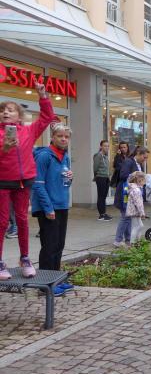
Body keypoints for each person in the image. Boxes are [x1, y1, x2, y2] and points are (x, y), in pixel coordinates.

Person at [0, 81, 54, 280]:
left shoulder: (28, 131)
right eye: (3, 110)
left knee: (22, 220)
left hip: (24, 182)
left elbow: (47, 117)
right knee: (2, 222)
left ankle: (25, 258)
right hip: (3, 182)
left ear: (19, 116)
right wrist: (5, 148)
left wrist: (43, 96)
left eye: (11, 110)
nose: (6, 112)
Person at [30, 122, 74, 295]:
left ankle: (56, 280)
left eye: (66, 137)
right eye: (60, 136)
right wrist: (48, 208)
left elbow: (64, 182)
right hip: (48, 208)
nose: (63, 139)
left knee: (59, 245)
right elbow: (37, 184)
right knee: (49, 246)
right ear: (53, 137)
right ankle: (44, 285)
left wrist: (70, 178)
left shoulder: (65, 156)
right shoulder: (44, 156)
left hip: (62, 205)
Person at [114, 147, 148, 247]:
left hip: (131, 195)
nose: (145, 160)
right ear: (138, 153)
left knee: (128, 218)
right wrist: (134, 175)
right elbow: (123, 175)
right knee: (125, 217)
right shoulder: (129, 162)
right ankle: (118, 240)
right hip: (125, 195)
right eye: (144, 157)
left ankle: (128, 239)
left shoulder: (138, 164)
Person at [93, 140, 113, 221]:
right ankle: (101, 215)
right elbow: (95, 168)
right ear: (101, 146)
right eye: (105, 146)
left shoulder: (105, 156)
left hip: (106, 178)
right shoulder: (98, 155)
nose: (107, 147)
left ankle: (104, 213)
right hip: (100, 177)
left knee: (104, 196)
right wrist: (97, 176)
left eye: (108, 146)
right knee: (101, 196)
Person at [125, 171, 147, 243]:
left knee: (140, 225)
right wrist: (142, 213)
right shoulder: (136, 190)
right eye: (144, 180)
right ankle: (132, 242)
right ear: (139, 180)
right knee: (136, 226)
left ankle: (138, 240)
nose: (145, 182)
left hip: (134, 211)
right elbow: (138, 203)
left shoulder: (135, 189)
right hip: (135, 211)